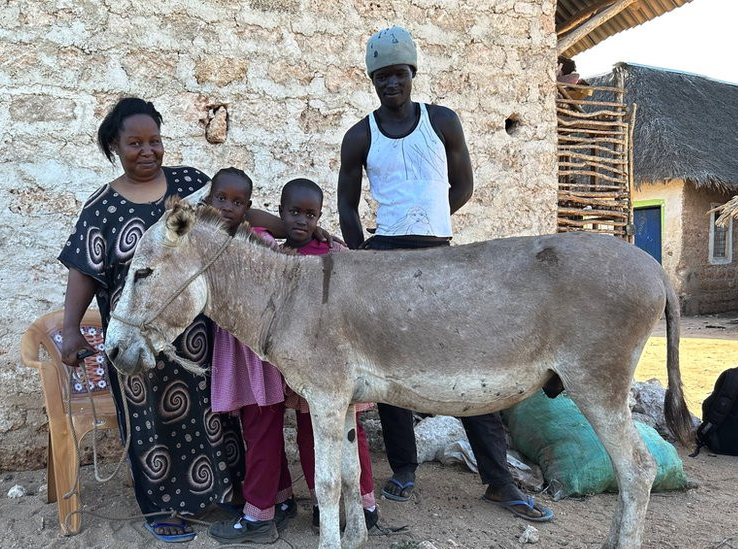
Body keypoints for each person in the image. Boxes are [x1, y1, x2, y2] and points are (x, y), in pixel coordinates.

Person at [336, 27, 554, 522]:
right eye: (381, 76)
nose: (391, 83)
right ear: (372, 80)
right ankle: (405, 469)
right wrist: (364, 257)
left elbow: (464, 186)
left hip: (441, 259)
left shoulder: (442, 122)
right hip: (386, 261)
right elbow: (347, 205)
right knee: (386, 368)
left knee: (468, 363)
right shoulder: (360, 135)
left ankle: (498, 481)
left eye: (398, 74)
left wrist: (432, 228)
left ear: (412, 74)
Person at [58, 97, 244, 543]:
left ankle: (223, 495)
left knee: (213, 412)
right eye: (134, 143)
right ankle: (161, 507)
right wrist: (69, 329)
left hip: (197, 332)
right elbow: (83, 272)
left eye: (154, 140)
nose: (147, 151)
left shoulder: (191, 187)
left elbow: (237, 216)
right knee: (149, 423)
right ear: (114, 147)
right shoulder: (101, 208)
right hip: (135, 338)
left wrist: (289, 227)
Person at [277, 178, 380, 533]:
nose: (302, 221)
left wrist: (330, 237)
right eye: (294, 213)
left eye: (310, 215)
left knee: (353, 434)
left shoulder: (332, 254)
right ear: (280, 213)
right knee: (309, 432)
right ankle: (324, 505)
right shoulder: (276, 257)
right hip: (302, 367)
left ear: (319, 217)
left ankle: (365, 502)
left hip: (340, 366)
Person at [204, 168, 298, 545]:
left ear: (248, 209)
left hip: (258, 353)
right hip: (234, 351)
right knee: (259, 429)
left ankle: (259, 518)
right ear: (208, 202)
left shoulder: (255, 243)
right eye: (221, 199)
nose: (228, 207)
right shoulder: (205, 240)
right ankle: (281, 498)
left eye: (238, 202)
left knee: (261, 431)